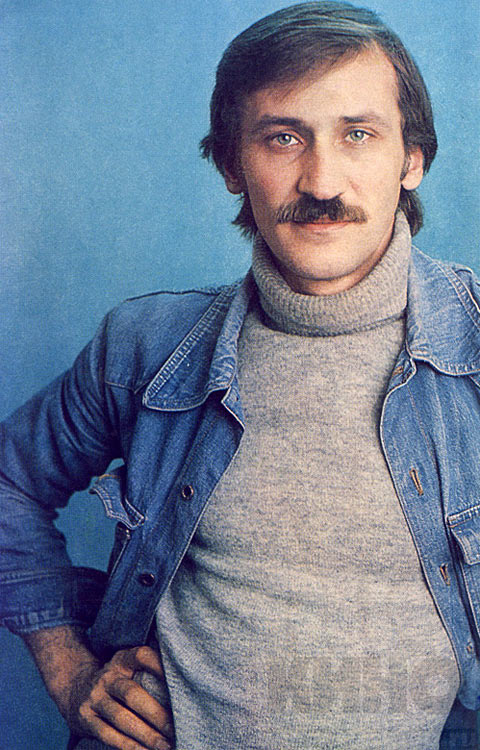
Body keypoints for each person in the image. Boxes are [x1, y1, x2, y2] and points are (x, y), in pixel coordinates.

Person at [1, 2, 479, 748]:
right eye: (283, 137)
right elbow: (10, 482)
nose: (321, 180)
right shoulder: (145, 350)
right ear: (231, 165)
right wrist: (68, 672)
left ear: (411, 159)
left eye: (358, 134)